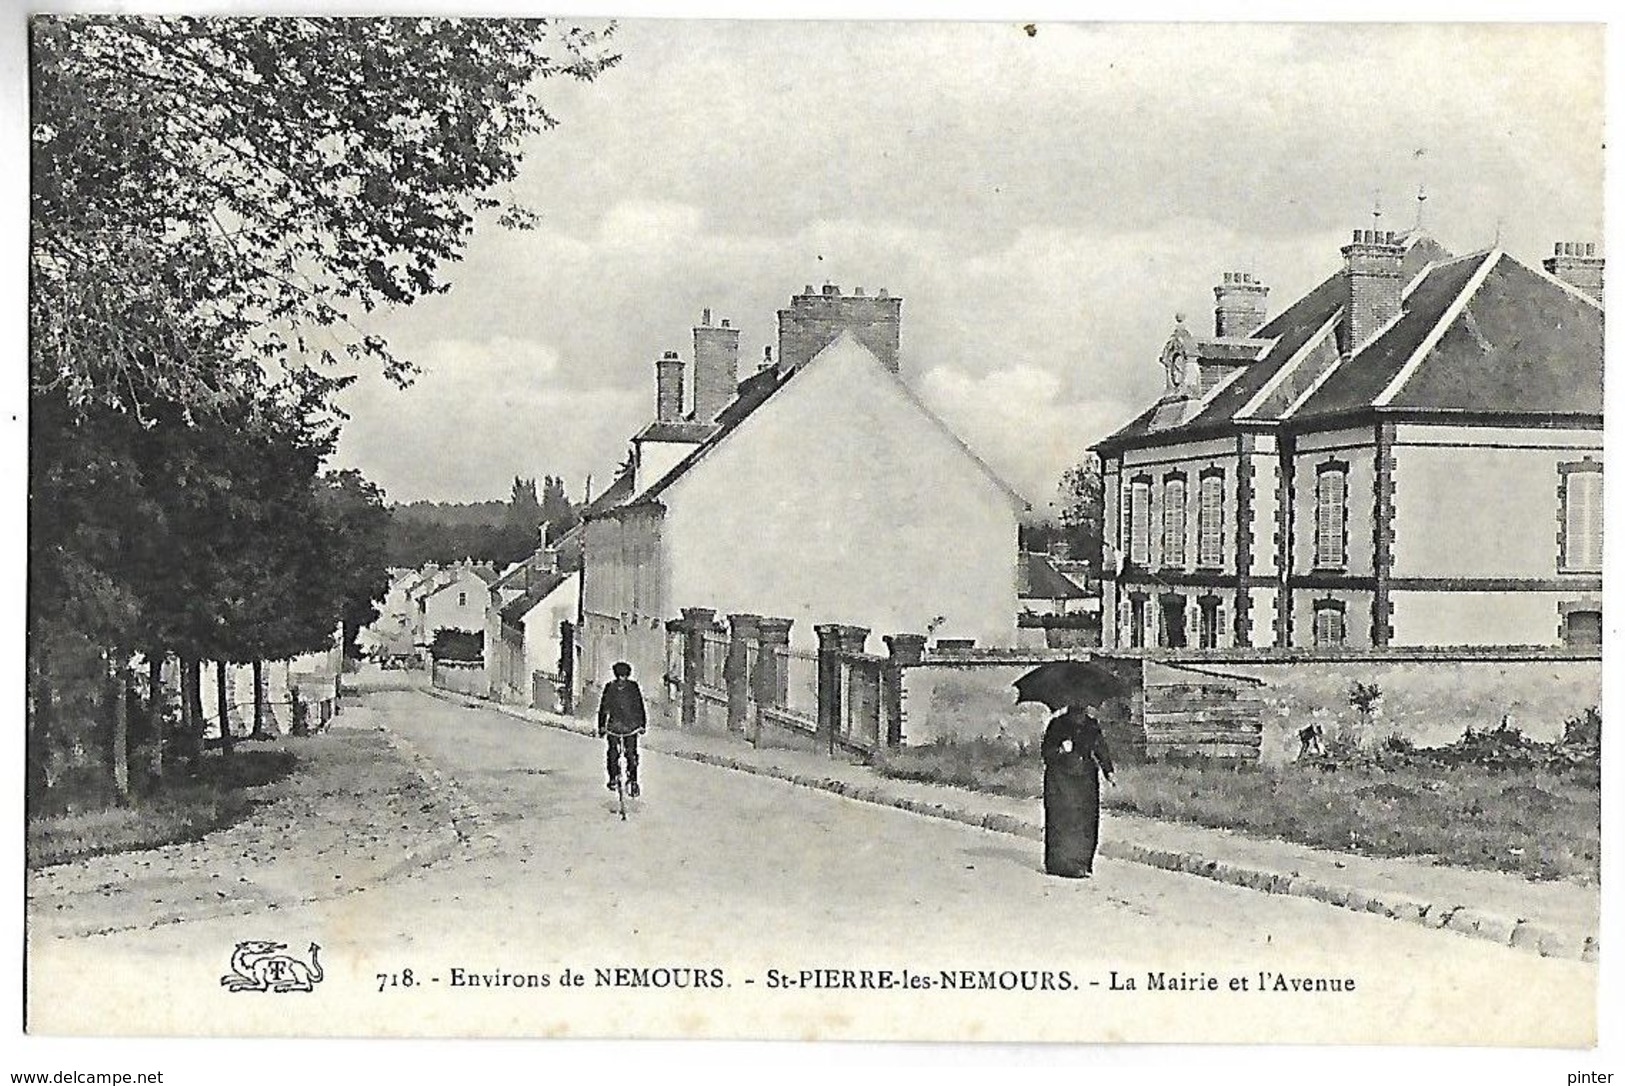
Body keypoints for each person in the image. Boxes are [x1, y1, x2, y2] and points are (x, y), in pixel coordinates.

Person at [1040, 702, 1116, 878]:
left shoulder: (1091, 726)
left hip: (1085, 780)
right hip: (1060, 781)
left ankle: (1082, 863)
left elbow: (1100, 748)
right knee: (1062, 820)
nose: (1079, 716)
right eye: (1076, 712)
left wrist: (1108, 771)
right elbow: (1046, 752)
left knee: (1086, 820)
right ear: (1069, 709)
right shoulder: (1057, 725)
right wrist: (1060, 750)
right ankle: (1060, 864)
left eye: (1082, 711)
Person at [597, 661, 648, 797]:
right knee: (612, 753)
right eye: (619, 677)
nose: (621, 680)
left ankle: (633, 780)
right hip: (614, 725)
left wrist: (642, 724)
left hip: (630, 726)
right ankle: (613, 777)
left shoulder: (633, 688)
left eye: (624, 677)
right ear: (616, 676)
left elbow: (639, 706)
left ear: (627, 676)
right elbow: (603, 708)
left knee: (631, 754)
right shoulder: (610, 688)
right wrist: (602, 726)